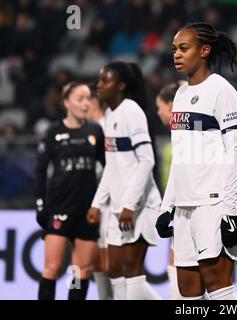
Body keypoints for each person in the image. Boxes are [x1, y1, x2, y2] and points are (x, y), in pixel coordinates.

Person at [156, 22, 237, 300]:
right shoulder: (180, 94)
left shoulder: (222, 90)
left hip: (214, 203)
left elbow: (235, 152)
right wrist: (166, 206)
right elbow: (180, 157)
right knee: (188, 292)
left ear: (204, 50)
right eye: (174, 49)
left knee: (218, 288)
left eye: (184, 48)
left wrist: (230, 211)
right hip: (183, 205)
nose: (177, 55)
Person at [86, 61, 162, 300]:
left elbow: (146, 160)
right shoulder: (110, 115)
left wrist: (129, 204)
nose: (99, 85)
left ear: (120, 86)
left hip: (138, 207)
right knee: (114, 269)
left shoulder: (132, 112)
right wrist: (98, 203)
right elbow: (112, 166)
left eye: (105, 81)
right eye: (99, 80)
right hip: (119, 207)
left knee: (131, 269)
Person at [35, 82, 105, 300]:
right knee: (53, 268)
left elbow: (108, 169)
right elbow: (40, 171)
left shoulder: (95, 130)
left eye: (88, 99)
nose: (85, 103)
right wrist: (40, 204)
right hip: (60, 208)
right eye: (79, 98)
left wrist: (101, 203)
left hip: (87, 211)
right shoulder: (54, 133)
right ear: (66, 102)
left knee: (79, 271)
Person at [155, 81, 185, 299]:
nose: (158, 112)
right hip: (181, 207)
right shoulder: (177, 133)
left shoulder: (186, 129)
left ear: (171, 104)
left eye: (160, 107)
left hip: (193, 207)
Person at [86, 90, 113, 300]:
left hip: (108, 203)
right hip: (88, 202)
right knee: (89, 263)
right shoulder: (87, 130)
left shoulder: (107, 127)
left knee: (109, 264)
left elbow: (109, 169)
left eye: (87, 100)